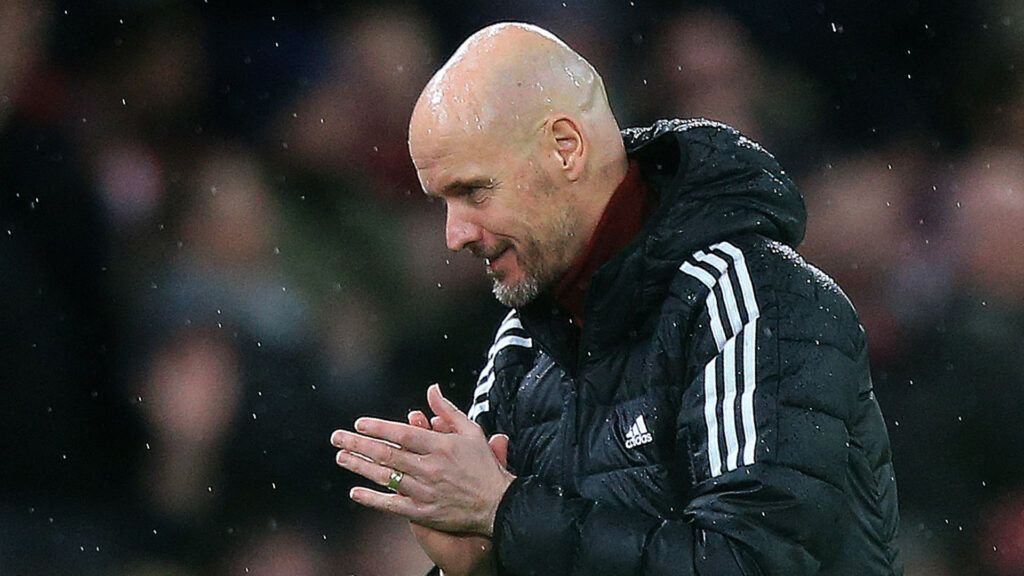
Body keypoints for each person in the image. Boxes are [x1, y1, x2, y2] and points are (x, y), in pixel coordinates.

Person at [330, 22, 902, 576]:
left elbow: (747, 561)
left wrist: (504, 513)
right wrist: (480, 566)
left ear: (565, 148)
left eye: (474, 191)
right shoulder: (522, 347)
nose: (454, 235)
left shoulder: (753, 298)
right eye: (443, 203)